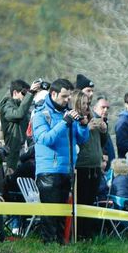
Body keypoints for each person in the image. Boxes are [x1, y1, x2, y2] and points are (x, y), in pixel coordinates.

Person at [32, 78, 90, 244]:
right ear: (53, 94)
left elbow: (81, 140)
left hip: (67, 171)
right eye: (64, 96)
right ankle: (49, 252)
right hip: (49, 172)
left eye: (69, 96)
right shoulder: (41, 114)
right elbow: (45, 139)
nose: (67, 100)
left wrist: (83, 125)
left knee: (62, 220)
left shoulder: (68, 114)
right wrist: (64, 123)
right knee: (50, 220)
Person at [72, 89, 107, 239]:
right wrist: (86, 128)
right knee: (81, 201)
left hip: (95, 166)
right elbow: (75, 139)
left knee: (91, 201)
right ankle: (79, 234)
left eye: (88, 103)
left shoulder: (93, 117)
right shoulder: (74, 119)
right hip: (81, 167)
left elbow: (102, 143)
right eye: (83, 103)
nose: (87, 107)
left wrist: (104, 130)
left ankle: (87, 234)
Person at [0, 79, 41, 171]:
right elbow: (19, 114)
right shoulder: (6, 106)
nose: (26, 96)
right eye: (24, 93)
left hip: (23, 149)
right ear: (15, 93)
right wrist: (30, 93)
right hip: (13, 151)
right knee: (12, 179)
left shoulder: (22, 106)